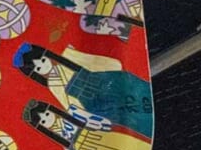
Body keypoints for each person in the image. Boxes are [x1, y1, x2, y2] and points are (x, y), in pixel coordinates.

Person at [13, 43, 152, 137]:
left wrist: (114, 71)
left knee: (144, 94)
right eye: (37, 68)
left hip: (113, 82)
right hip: (101, 106)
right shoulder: (54, 85)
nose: (43, 67)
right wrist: (89, 118)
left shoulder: (69, 55)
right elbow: (71, 107)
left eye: (43, 60)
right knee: (137, 122)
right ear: (36, 74)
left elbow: (103, 62)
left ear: (47, 55)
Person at [21, 99, 150, 150]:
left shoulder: (73, 112)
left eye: (47, 114)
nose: (48, 119)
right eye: (43, 121)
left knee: (135, 146)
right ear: (42, 127)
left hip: (112, 137)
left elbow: (101, 121)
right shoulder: (65, 145)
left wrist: (99, 125)